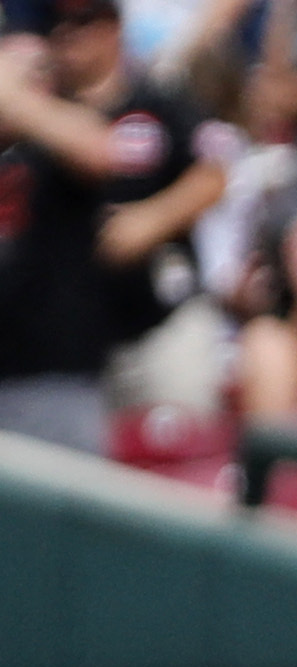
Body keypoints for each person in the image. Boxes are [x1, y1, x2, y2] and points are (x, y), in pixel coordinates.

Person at [0, 0, 222, 453]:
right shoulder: (43, 118)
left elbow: (213, 173)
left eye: (85, 22)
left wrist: (152, 218)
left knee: (175, 460)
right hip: (79, 337)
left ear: (113, 28)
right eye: (60, 25)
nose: (71, 35)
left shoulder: (155, 99)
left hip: (156, 315)